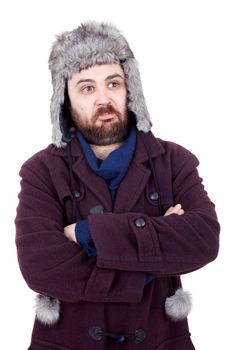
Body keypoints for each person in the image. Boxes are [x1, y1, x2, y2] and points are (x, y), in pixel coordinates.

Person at [15, 21, 220, 350]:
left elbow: (204, 240)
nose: (103, 98)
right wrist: (150, 262)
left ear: (131, 90)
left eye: (113, 83)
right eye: (87, 88)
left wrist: (86, 233)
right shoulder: (40, 171)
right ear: (65, 101)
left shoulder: (175, 161)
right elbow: (40, 267)